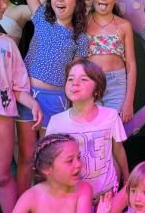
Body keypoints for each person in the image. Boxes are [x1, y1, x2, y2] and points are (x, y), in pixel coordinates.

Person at [0, 0, 89, 196]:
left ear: (76, 4)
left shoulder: (80, 39)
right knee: (25, 157)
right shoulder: (41, 19)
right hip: (27, 94)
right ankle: (27, 202)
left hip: (57, 100)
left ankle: (50, 201)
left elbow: (78, 78)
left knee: (48, 160)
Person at [0, 0, 42, 212]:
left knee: (2, 176)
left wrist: (32, 103)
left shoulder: (7, 43)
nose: (4, 5)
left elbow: (18, 86)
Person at [46, 59, 129, 201]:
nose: (74, 83)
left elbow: (118, 149)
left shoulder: (111, 116)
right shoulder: (56, 122)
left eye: (83, 79)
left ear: (97, 89)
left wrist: (127, 179)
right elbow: (49, 160)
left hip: (106, 193)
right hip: (71, 196)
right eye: (70, 79)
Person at [87, 0, 136, 125]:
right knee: (90, 131)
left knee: (114, 135)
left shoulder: (124, 25)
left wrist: (129, 102)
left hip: (116, 85)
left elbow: (131, 65)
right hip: (89, 83)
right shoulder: (82, 23)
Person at [12, 134, 93, 213]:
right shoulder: (31, 197)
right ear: (46, 168)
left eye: (78, 157)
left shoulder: (83, 189)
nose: (78, 164)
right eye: (69, 161)